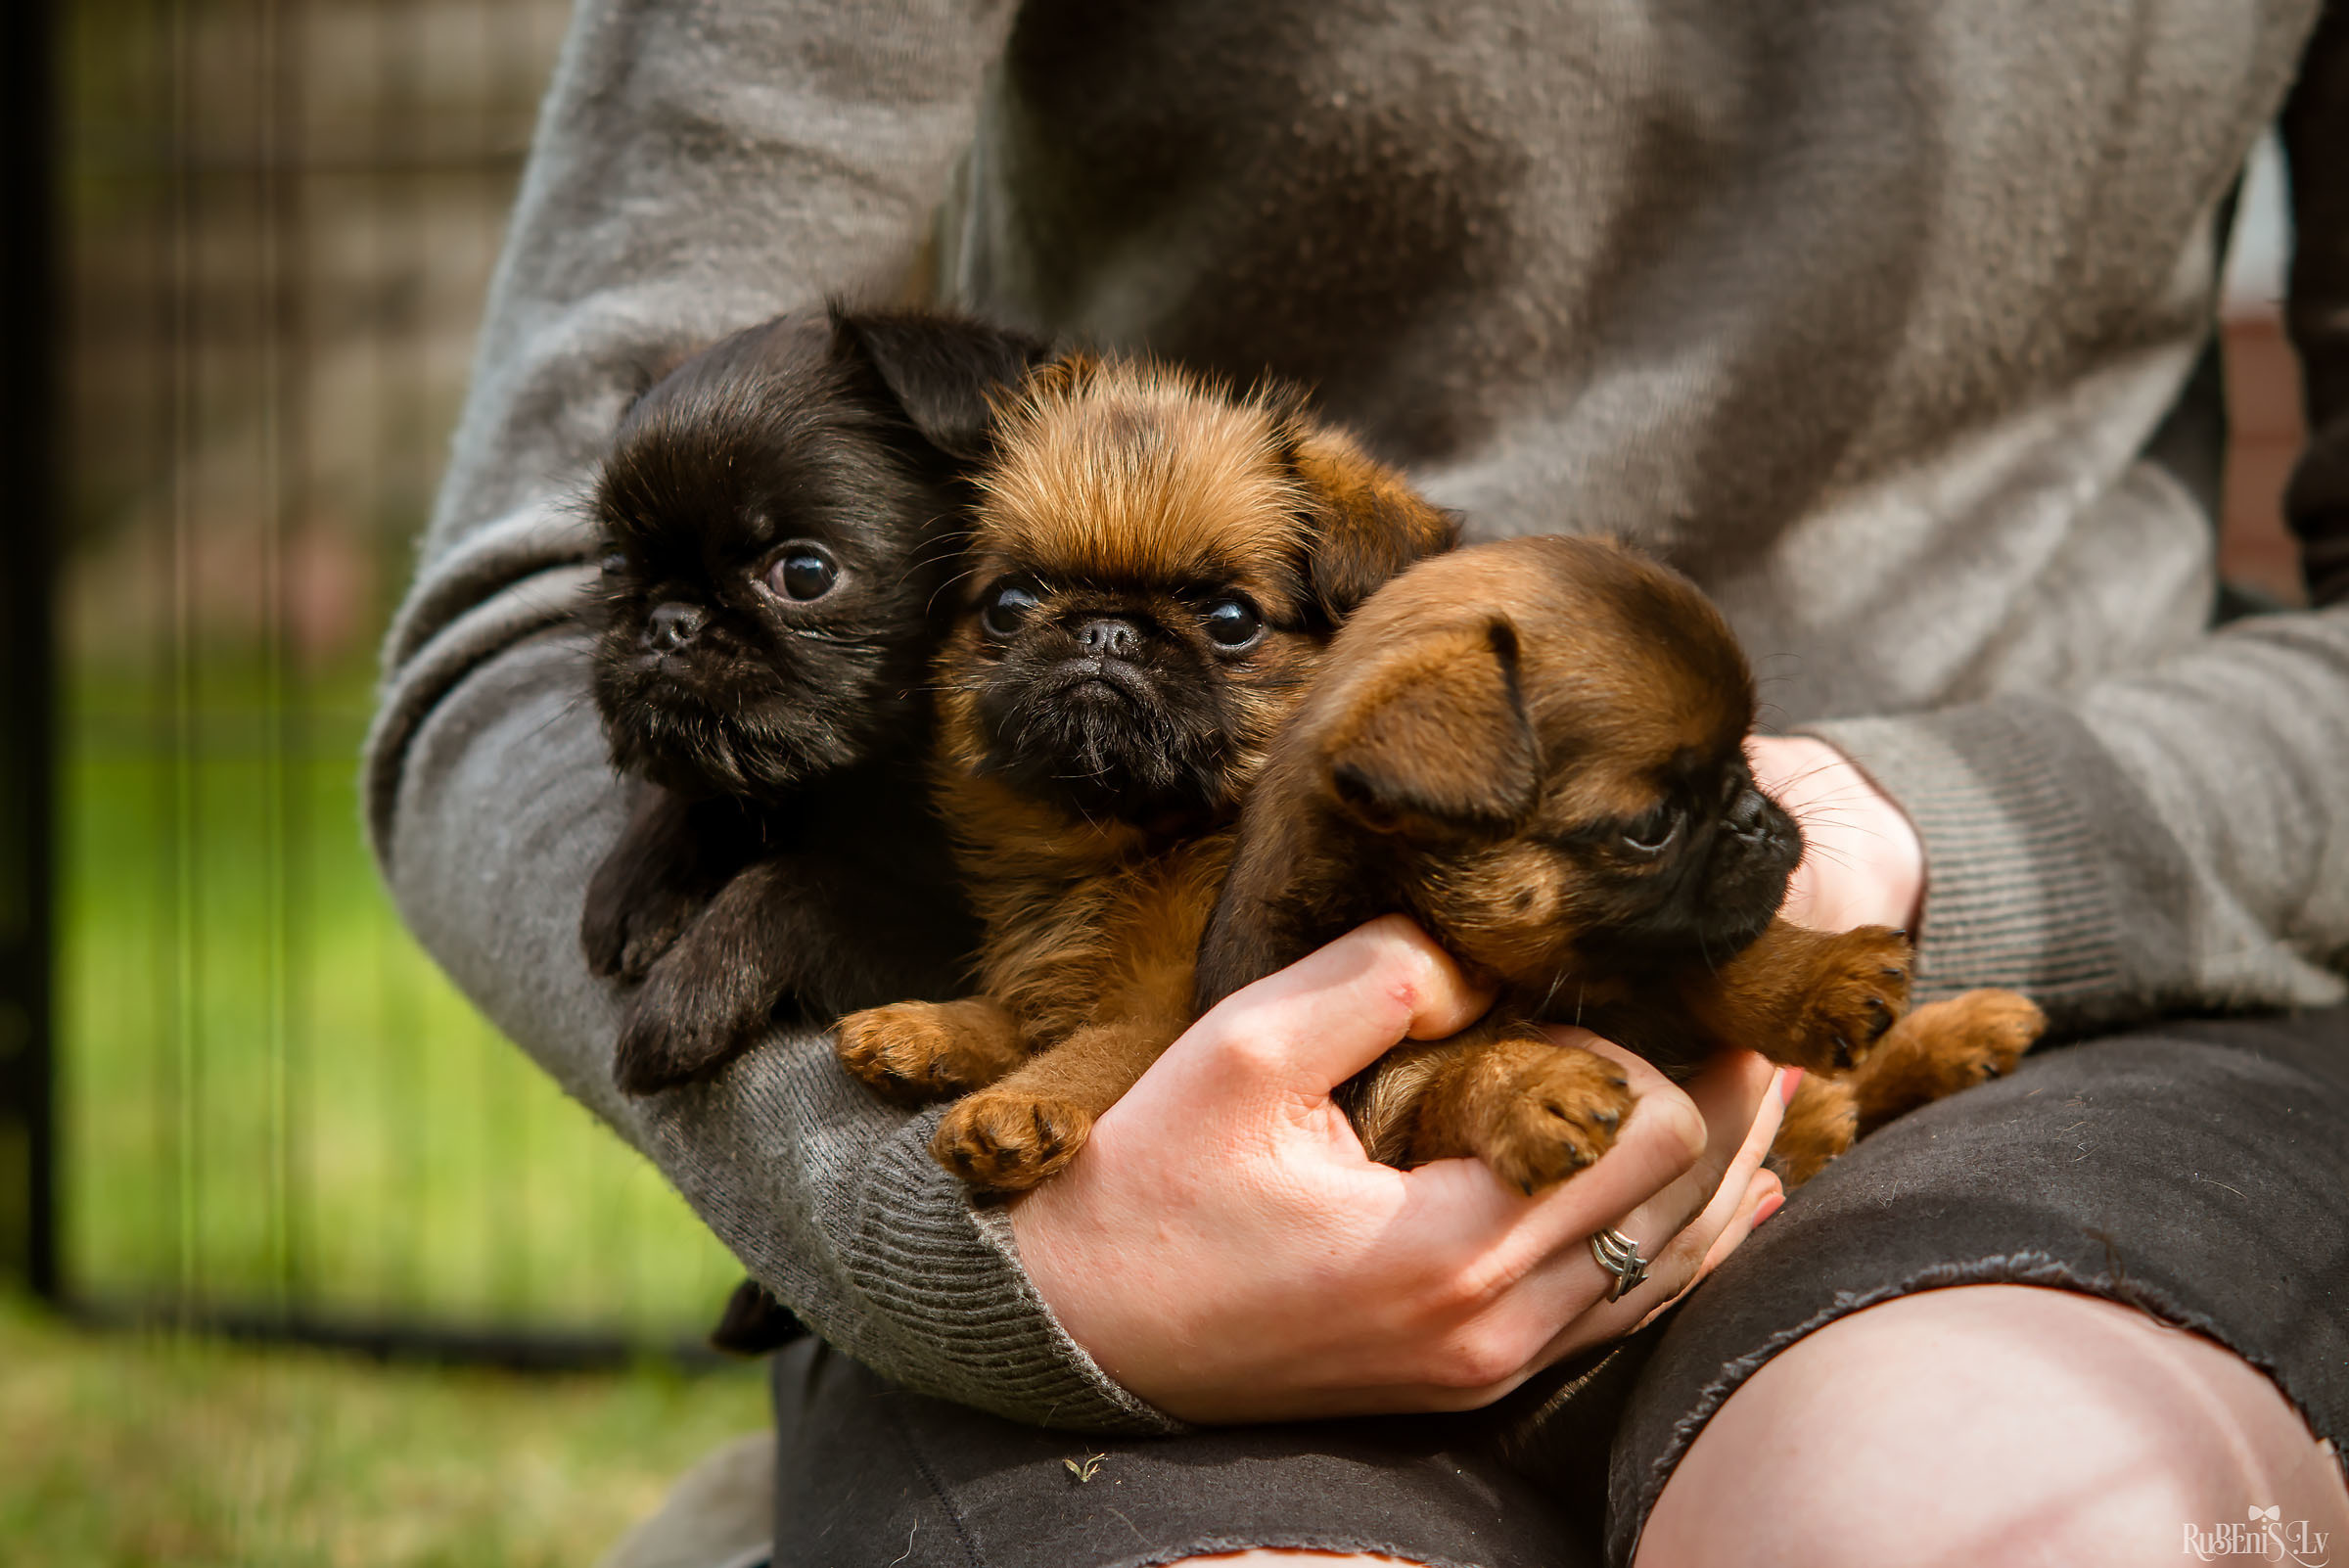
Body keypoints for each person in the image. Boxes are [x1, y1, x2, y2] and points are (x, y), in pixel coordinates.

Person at [364, 2, 2349, 1563]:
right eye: (1025, 600)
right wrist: (954, 1256)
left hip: (2081, 1032)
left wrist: (1918, 841)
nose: (1105, 653)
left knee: (1984, 1512)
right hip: (1160, 1166)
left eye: (1213, 621)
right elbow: (520, 611)